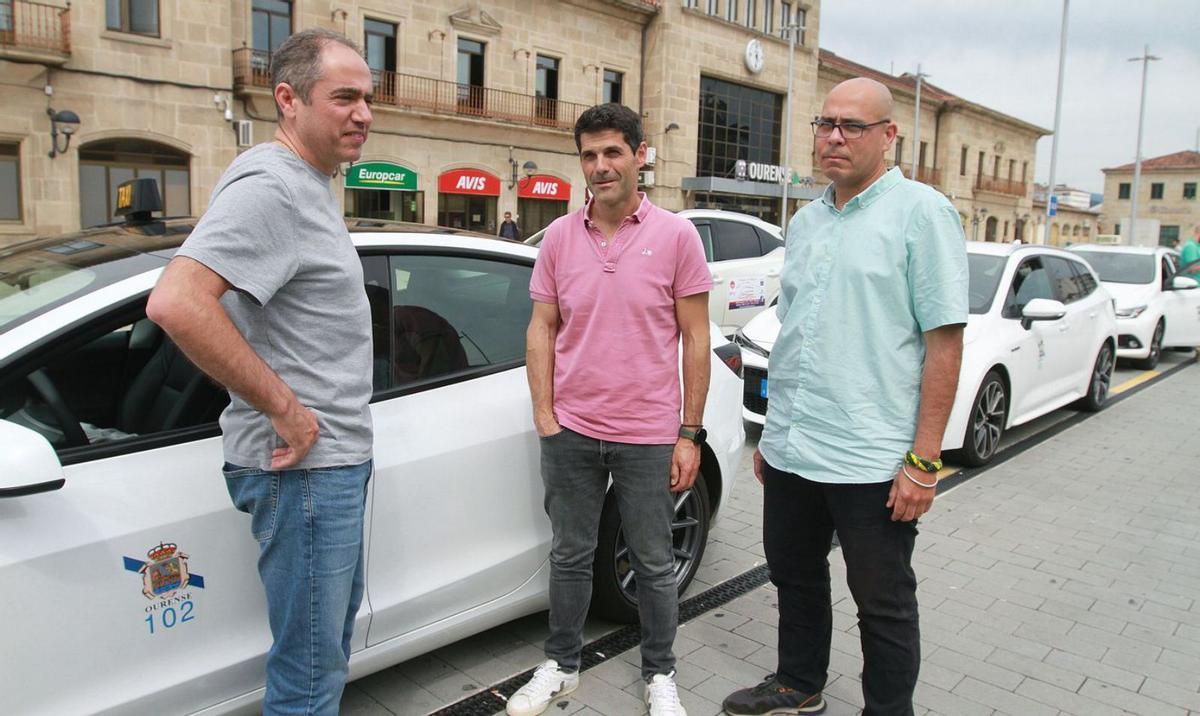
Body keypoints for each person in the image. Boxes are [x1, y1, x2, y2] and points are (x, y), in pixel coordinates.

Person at [146, 28, 375, 715]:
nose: (364, 113)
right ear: (288, 99)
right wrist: (287, 409)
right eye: (344, 97)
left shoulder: (304, 185)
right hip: (305, 474)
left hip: (324, 469)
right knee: (307, 682)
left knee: (321, 657)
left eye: (367, 98)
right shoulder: (272, 185)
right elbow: (178, 302)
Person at [722, 78, 967, 716]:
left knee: (883, 602)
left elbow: (944, 345)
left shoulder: (923, 213)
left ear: (888, 135)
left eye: (852, 126)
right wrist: (775, 432)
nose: (834, 137)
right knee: (795, 577)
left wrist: (924, 460)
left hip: (873, 457)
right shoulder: (805, 222)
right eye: (825, 123)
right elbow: (795, 332)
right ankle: (797, 685)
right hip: (795, 446)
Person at [511, 103, 712, 716]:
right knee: (569, 554)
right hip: (571, 429)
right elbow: (541, 329)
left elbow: (697, 338)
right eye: (589, 156)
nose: (600, 167)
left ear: (639, 154)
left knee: (654, 561)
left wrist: (689, 434)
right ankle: (561, 664)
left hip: (648, 434)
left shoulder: (676, 236)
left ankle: (660, 675)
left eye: (612, 153)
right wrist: (546, 415)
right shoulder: (559, 239)